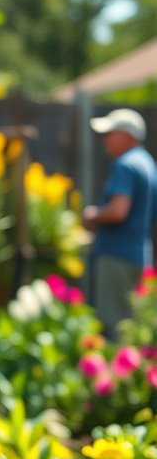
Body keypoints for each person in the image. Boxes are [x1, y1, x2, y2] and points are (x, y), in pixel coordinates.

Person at [82, 108, 156, 339]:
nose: (106, 139)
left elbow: (118, 211)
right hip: (139, 255)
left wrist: (92, 215)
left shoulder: (125, 164)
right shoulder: (147, 163)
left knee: (115, 326)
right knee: (133, 326)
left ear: (127, 134)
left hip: (116, 256)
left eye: (111, 133)